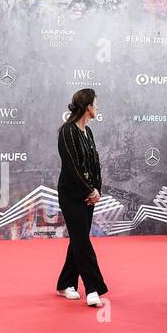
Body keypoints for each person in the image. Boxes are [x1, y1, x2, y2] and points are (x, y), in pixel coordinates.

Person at [56, 88, 107, 307]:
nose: (98, 107)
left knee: (79, 239)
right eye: (96, 103)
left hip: (89, 195)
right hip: (71, 195)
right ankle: (93, 288)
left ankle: (65, 283)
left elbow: (95, 165)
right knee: (82, 241)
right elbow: (71, 166)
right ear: (88, 106)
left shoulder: (89, 132)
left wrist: (97, 190)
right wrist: (89, 190)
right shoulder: (67, 131)